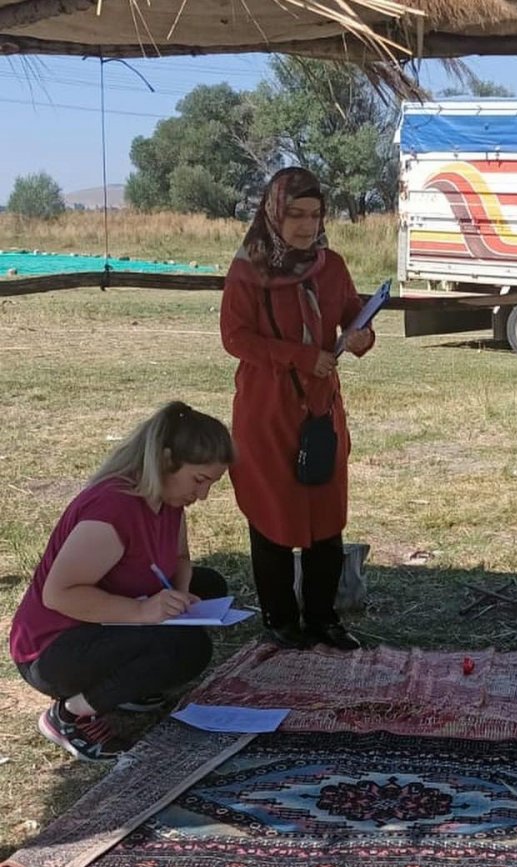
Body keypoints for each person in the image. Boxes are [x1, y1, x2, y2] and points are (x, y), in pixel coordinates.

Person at [9, 401, 234, 762]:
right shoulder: (113, 510)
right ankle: (69, 715)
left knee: (208, 587)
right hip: (51, 650)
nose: (203, 495)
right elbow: (58, 594)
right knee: (188, 648)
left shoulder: (168, 499)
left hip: (101, 620)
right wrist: (143, 610)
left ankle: (130, 686)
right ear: (165, 461)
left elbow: (180, 559)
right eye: (199, 480)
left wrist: (178, 593)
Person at [220, 167, 374, 652]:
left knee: (326, 516)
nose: (306, 226)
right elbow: (235, 338)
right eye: (295, 214)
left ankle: (323, 619)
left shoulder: (332, 266)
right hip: (266, 412)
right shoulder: (249, 269)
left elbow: (353, 315)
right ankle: (281, 621)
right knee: (272, 516)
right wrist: (303, 355)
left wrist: (362, 336)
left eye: (315, 215)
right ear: (273, 212)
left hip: (320, 408)